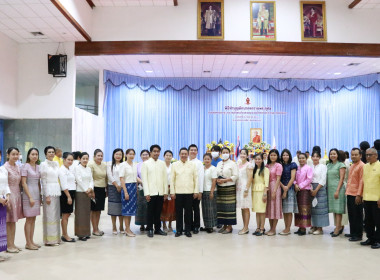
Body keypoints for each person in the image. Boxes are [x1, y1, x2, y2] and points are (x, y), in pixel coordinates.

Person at [171, 147, 198, 238]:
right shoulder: (174, 165)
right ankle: (178, 230)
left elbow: (196, 179)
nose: (183, 155)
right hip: (178, 193)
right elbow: (172, 180)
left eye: (185, 154)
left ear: (188, 154)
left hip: (189, 192)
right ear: (179, 155)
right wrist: (172, 192)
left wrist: (196, 191)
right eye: (182, 154)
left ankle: (187, 230)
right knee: (178, 213)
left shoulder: (192, 165)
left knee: (188, 213)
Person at [141, 145, 168, 238]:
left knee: (158, 211)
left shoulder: (162, 163)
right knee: (150, 211)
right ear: (151, 152)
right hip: (151, 192)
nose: (156, 153)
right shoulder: (146, 164)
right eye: (154, 151)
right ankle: (150, 229)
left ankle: (157, 229)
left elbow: (165, 179)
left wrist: (165, 192)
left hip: (160, 192)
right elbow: (144, 179)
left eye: (158, 151)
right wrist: (147, 193)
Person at [40, 146, 61, 246]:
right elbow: (43, 181)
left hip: (56, 191)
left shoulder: (56, 163)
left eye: (53, 152)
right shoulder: (43, 164)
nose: (51, 153)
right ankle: (49, 240)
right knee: (49, 216)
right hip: (48, 191)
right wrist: (46, 195)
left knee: (56, 215)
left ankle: (56, 238)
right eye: (49, 152)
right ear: (45, 154)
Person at [21, 148, 41, 250]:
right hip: (28, 195)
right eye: (32, 154)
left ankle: (31, 241)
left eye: (36, 154)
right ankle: (28, 243)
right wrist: (30, 197)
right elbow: (23, 183)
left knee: (33, 219)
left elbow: (38, 183)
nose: (34, 156)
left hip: (36, 194)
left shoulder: (38, 167)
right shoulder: (25, 166)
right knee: (29, 219)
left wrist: (40, 196)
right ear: (29, 155)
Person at [360, 148, 380, 249]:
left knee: (378, 221)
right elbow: (364, 182)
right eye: (366, 155)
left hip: (377, 199)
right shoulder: (365, 166)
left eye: (370, 155)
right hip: (367, 198)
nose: (368, 157)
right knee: (368, 221)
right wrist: (363, 195)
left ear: (376, 156)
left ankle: (378, 240)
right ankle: (370, 238)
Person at [4, 147, 23, 253]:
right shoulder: (4, 168)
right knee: (9, 221)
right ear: (8, 155)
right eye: (13, 154)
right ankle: (8, 245)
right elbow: (4, 184)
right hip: (9, 195)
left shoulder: (18, 166)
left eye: (17, 154)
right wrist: (7, 197)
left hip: (17, 195)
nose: (15, 156)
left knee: (14, 221)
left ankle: (12, 243)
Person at [216, 147, 238, 234]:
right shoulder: (219, 163)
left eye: (226, 152)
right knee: (221, 207)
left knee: (229, 208)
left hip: (229, 188)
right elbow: (216, 173)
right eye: (223, 152)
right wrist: (217, 180)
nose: (225, 154)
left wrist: (225, 180)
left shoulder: (233, 163)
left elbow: (236, 176)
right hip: (220, 188)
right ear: (221, 154)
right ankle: (224, 225)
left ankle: (229, 227)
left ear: (229, 154)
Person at [345, 148, 365, 242]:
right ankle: (353, 232)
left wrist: (359, 195)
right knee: (351, 215)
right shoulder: (352, 165)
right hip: (349, 193)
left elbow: (362, 181)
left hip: (356, 194)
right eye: (352, 154)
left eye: (356, 154)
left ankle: (358, 235)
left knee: (358, 215)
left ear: (360, 155)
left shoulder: (362, 166)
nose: (353, 156)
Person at [74, 152, 94, 241]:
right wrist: (86, 190)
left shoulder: (89, 169)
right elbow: (79, 180)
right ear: (80, 159)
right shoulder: (77, 168)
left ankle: (86, 232)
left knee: (87, 213)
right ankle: (80, 234)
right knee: (80, 214)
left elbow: (91, 179)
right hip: (80, 192)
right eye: (83, 159)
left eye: (87, 158)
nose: (85, 160)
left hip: (88, 192)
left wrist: (90, 188)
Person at [327, 148, 346, 237]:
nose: (332, 155)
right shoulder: (329, 165)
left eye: (334, 154)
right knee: (335, 209)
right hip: (330, 190)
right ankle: (338, 226)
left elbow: (342, 179)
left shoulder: (341, 165)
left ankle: (338, 228)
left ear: (337, 155)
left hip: (338, 189)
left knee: (338, 210)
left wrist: (337, 190)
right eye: (331, 154)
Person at [249, 153, 269, 236]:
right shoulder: (253, 169)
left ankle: (262, 228)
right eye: (256, 159)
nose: (257, 160)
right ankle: (257, 227)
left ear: (262, 160)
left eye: (259, 159)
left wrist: (265, 193)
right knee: (257, 211)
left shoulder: (265, 169)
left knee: (262, 211)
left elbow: (266, 182)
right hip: (254, 191)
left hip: (261, 191)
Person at [88, 149, 107, 236]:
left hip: (102, 189)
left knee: (99, 210)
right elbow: (89, 178)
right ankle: (94, 229)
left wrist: (106, 189)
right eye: (98, 156)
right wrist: (91, 191)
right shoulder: (91, 164)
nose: (100, 157)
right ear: (94, 156)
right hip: (94, 188)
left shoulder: (104, 164)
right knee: (94, 210)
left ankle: (97, 228)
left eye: (101, 156)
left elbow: (106, 177)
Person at [310, 151, 329, 235]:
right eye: (313, 156)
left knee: (320, 208)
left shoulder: (323, 166)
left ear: (319, 158)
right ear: (311, 158)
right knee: (313, 208)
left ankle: (320, 228)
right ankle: (314, 225)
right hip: (311, 188)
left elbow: (323, 179)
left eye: (317, 156)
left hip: (320, 188)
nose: (315, 158)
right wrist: (311, 189)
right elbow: (308, 178)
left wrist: (316, 190)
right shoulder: (310, 167)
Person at [119, 149, 138, 237]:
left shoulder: (135, 165)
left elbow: (135, 178)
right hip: (127, 187)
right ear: (126, 155)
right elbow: (121, 178)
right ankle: (126, 229)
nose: (131, 156)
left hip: (134, 188)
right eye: (130, 154)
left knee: (131, 211)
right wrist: (125, 192)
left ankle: (128, 228)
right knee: (127, 210)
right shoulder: (123, 165)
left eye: (133, 154)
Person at [294, 153, 313, 236]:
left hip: (305, 191)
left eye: (303, 158)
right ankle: (299, 226)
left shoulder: (308, 168)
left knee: (304, 208)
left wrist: (300, 186)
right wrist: (295, 184)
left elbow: (309, 179)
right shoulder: (297, 168)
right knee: (298, 209)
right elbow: (294, 178)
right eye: (300, 158)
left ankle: (303, 228)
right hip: (297, 191)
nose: (301, 160)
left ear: (306, 159)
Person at [279, 149, 298, 235]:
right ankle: (286, 227)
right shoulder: (280, 165)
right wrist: (283, 187)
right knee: (284, 210)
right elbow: (277, 178)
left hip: (290, 188)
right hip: (281, 188)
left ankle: (288, 228)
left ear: (289, 156)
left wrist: (286, 188)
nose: (285, 156)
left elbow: (293, 177)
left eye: (287, 155)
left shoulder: (293, 165)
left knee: (289, 210)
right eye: (283, 155)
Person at [59, 152, 76, 243]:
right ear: (64, 159)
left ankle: (65, 234)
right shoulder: (62, 170)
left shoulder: (69, 169)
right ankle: (65, 235)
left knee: (68, 214)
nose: (70, 161)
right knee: (65, 215)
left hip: (71, 193)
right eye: (68, 159)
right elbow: (64, 184)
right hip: (66, 194)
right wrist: (68, 196)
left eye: (71, 160)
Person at [106, 148, 125, 235]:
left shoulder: (123, 164)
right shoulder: (109, 164)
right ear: (113, 155)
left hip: (122, 187)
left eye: (120, 154)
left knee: (121, 207)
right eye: (116, 154)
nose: (118, 156)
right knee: (113, 208)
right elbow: (109, 175)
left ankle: (121, 226)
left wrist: (121, 186)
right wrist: (116, 185)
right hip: (112, 187)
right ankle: (114, 226)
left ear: (122, 156)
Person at [265, 149, 283, 236]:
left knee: (275, 208)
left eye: (274, 155)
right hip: (267, 187)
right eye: (271, 155)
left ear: (277, 156)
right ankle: (270, 228)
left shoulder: (278, 165)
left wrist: (274, 191)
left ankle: (273, 228)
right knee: (269, 208)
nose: (273, 157)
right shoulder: (267, 165)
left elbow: (278, 179)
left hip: (275, 187)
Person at [236, 149, 252, 235]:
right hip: (239, 188)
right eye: (241, 153)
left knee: (246, 208)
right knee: (242, 208)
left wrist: (246, 189)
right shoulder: (239, 164)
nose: (242, 155)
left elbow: (250, 178)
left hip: (245, 188)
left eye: (244, 154)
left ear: (247, 155)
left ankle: (246, 227)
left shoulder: (249, 165)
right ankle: (244, 226)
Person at [188, 144, 204, 234]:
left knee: (196, 209)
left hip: (196, 190)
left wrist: (199, 191)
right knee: (188, 209)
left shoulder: (199, 163)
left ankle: (196, 226)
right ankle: (189, 225)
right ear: (188, 151)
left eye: (195, 150)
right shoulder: (185, 161)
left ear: (197, 152)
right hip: (186, 191)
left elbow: (201, 178)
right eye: (191, 150)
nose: (193, 151)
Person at [201, 153, 218, 233]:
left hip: (210, 191)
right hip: (203, 191)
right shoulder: (202, 168)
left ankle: (211, 226)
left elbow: (214, 180)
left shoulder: (213, 168)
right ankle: (206, 225)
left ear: (211, 160)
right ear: (203, 160)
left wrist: (211, 192)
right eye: (205, 159)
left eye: (208, 159)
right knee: (205, 210)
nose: (207, 160)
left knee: (211, 209)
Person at [161, 150, 176, 232]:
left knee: (171, 207)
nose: (168, 157)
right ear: (164, 156)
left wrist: (172, 189)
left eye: (170, 155)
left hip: (172, 188)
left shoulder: (173, 166)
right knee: (163, 207)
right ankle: (163, 224)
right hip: (163, 188)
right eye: (167, 155)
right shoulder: (161, 165)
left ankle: (170, 224)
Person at [0, 150, 11, 260]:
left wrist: (7, 196)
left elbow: (6, 184)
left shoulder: (3, 169)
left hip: (3, 201)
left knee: (1, 227)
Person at [136, 150, 150, 232]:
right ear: (141, 156)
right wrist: (142, 182)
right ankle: (141, 224)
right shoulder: (138, 165)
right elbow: (135, 176)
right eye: (143, 154)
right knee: (141, 206)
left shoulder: (151, 164)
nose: (145, 156)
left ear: (149, 155)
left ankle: (149, 224)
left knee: (149, 206)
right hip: (141, 188)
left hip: (151, 188)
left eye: (146, 154)